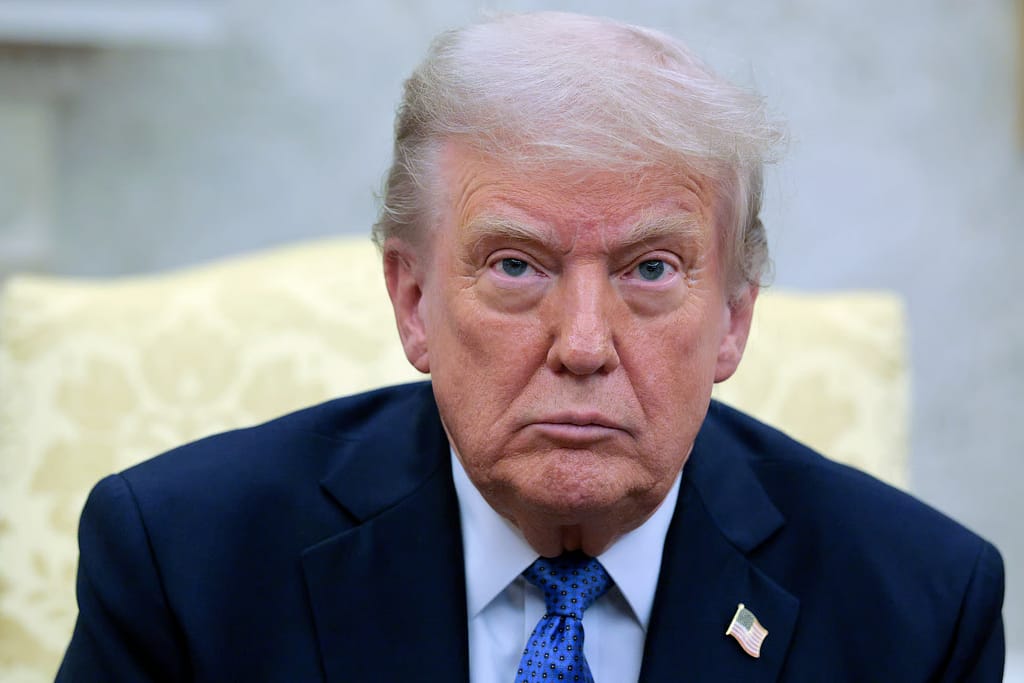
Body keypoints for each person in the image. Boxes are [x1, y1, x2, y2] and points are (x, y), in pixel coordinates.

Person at [57, 11, 1004, 683]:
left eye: (651, 269)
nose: (584, 345)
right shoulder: (185, 562)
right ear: (414, 298)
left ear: (735, 317)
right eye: (516, 265)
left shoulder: (919, 607)